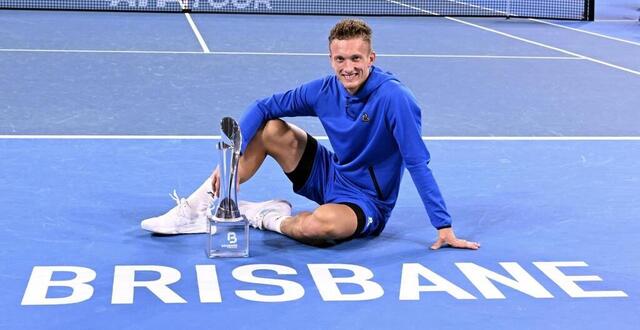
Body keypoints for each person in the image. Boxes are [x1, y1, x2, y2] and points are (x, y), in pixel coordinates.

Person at [142, 19, 479, 250]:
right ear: (331, 59)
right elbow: (262, 105)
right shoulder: (324, 90)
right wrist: (231, 158)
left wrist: (443, 226)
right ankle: (202, 205)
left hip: (364, 201)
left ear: (371, 58)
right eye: (340, 59)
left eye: (356, 58)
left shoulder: (396, 99)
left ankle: (264, 215)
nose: (348, 67)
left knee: (318, 228)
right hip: (330, 174)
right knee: (272, 128)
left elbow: (418, 164)